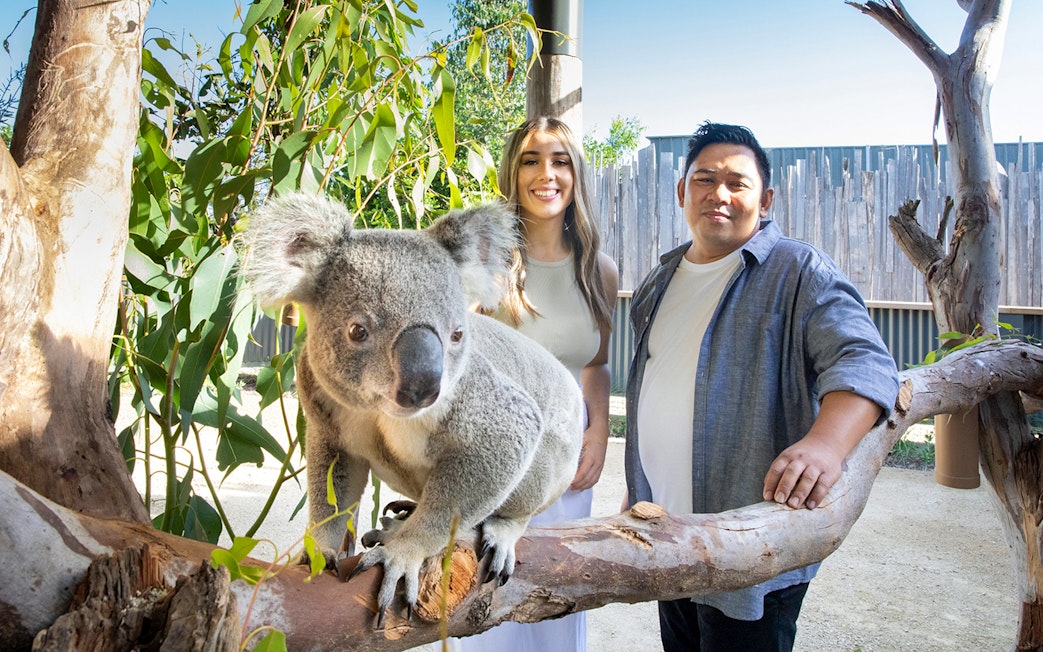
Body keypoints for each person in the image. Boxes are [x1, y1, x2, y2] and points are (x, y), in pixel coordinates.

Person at [623, 121, 900, 652]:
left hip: (751, 544)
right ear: (682, 191)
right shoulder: (658, 282)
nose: (718, 194)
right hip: (669, 532)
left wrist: (825, 445)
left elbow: (865, 360)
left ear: (765, 197)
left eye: (737, 182)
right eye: (704, 179)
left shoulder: (799, 271)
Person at [446, 116, 618, 651]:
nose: (547, 173)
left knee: (554, 610)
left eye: (560, 160)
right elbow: (452, 360)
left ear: (576, 176)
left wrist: (598, 435)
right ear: (513, 174)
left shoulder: (600, 271)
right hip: (494, 464)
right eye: (531, 160)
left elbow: (596, 364)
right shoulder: (485, 267)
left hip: (565, 470)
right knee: (486, 608)